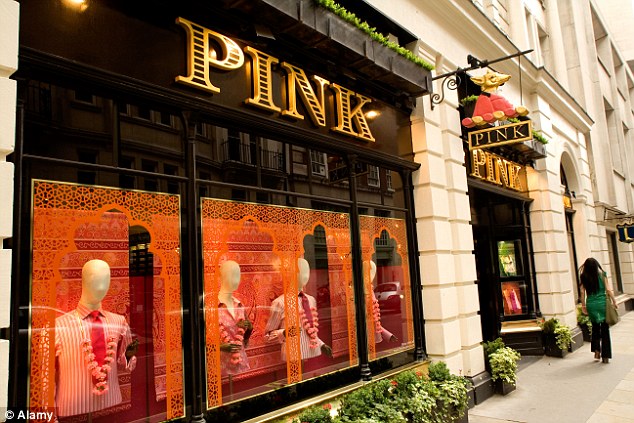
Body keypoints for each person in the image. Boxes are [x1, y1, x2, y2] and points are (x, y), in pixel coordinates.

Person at [55, 259, 137, 417]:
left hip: (111, 398)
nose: (101, 286)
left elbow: (127, 365)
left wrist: (130, 354)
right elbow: (46, 378)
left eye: (106, 279)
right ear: (83, 280)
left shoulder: (119, 321)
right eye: (94, 278)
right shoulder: (58, 326)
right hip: (72, 403)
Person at [265, 258, 332, 361]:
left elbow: (310, 330)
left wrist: (321, 345)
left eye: (307, 271)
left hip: (312, 352)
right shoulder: (280, 303)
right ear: (291, 274)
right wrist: (284, 333)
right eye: (301, 271)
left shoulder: (311, 300)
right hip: (293, 357)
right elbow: (267, 336)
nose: (305, 275)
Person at [217, 260, 252, 376]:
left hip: (241, 365)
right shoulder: (212, 307)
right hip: (221, 367)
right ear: (222, 277)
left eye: (238, 276)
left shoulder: (240, 305)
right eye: (232, 275)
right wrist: (220, 347)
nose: (236, 280)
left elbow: (245, 338)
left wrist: (249, 328)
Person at [579, 258, 618, 363]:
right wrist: (614, 301)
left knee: (595, 327)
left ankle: (596, 350)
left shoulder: (583, 277)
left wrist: (583, 306)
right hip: (602, 304)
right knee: (605, 329)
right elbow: (608, 290)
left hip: (591, 304)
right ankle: (606, 356)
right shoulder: (602, 275)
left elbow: (582, 292)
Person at [366, 260, 397, 343]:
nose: (372, 275)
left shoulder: (369, 290)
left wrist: (387, 334)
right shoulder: (366, 290)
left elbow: (373, 318)